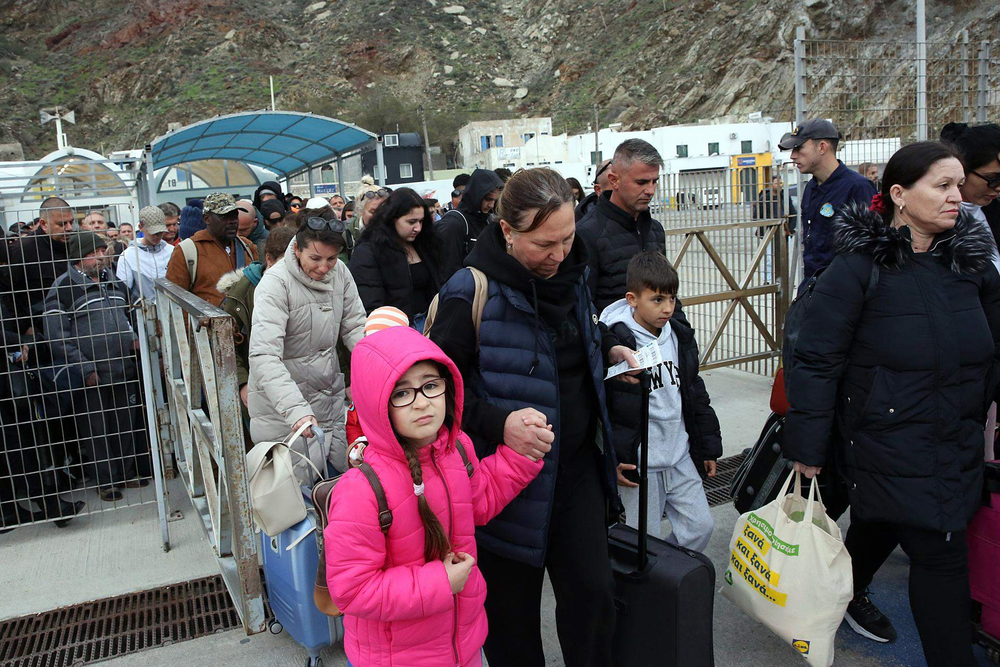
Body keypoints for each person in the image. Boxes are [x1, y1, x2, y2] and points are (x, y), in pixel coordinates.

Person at [784, 141, 1000, 665]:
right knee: (940, 552)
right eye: (942, 187)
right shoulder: (858, 267)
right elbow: (815, 360)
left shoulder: (973, 265)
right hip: (886, 439)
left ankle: (828, 604)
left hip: (956, 436)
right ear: (900, 195)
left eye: (958, 186)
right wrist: (808, 447)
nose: (958, 198)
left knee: (886, 525)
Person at [430, 168, 638, 666]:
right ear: (506, 231)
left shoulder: (574, 272)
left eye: (567, 238)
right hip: (502, 486)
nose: (559, 254)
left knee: (593, 599)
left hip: (577, 471)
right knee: (512, 624)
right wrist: (499, 423)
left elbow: (577, 333)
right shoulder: (468, 291)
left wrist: (609, 348)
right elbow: (435, 397)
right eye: (545, 244)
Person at [325, 326, 543, 667]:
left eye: (430, 385)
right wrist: (440, 583)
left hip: (465, 643)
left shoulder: (456, 448)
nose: (422, 402)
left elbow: (479, 503)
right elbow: (351, 590)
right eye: (401, 393)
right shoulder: (361, 489)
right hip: (397, 658)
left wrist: (521, 456)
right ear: (375, 401)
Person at [600, 251, 721, 551]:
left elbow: (694, 391)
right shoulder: (617, 341)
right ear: (632, 299)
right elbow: (606, 408)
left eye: (672, 299)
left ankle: (667, 571)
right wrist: (613, 458)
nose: (667, 308)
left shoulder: (678, 335)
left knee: (700, 526)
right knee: (643, 541)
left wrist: (707, 446)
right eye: (657, 300)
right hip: (641, 463)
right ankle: (649, 586)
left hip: (679, 454)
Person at [247, 215, 366, 478]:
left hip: (328, 398)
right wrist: (296, 410)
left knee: (340, 486)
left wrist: (380, 371)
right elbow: (264, 354)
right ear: (297, 249)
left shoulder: (340, 273)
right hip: (284, 409)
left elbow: (356, 326)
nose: (325, 267)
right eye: (315, 258)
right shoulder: (274, 284)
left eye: (331, 259)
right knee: (294, 495)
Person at [43, 231, 150, 502]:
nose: (102, 256)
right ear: (79, 257)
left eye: (104, 251)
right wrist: (85, 368)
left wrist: (134, 341)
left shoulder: (113, 282)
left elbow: (127, 317)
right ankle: (106, 481)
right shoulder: (63, 287)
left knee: (124, 424)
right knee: (96, 429)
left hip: (122, 368)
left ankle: (126, 472)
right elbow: (57, 336)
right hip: (92, 373)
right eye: (95, 252)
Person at [219, 226, 296, 447]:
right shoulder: (241, 295)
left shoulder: (308, 284)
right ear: (270, 260)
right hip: (258, 385)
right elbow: (228, 348)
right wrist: (242, 383)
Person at [577, 140, 668, 314]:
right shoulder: (587, 234)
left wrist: (683, 337)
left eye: (654, 181)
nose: (650, 190)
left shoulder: (655, 231)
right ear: (614, 181)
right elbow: (584, 309)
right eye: (641, 182)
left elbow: (667, 294)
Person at [779, 119, 877, 280]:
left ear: (822, 147)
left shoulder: (857, 187)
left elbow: (869, 249)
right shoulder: (811, 187)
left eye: (799, 147)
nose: (793, 155)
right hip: (814, 284)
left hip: (844, 289)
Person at [349, 188, 448, 329]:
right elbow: (370, 302)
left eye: (421, 221)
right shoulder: (368, 251)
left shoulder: (424, 244)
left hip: (431, 323)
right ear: (392, 219)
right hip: (396, 329)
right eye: (411, 222)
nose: (418, 228)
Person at [165, 193, 259, 307]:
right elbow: (175, 302)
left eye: (234, 215)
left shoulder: (247, 246)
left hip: (246, 323)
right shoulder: (187, 251)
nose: (232, 221)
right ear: (206, 219)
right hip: (206, 323)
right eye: (225, 216)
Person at [0, 196, 75, 335]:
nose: (69, 228)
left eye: (71, 222)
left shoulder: (76, 244)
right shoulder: (22, 251)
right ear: (44, 224)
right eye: (62, 224)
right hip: (40, 326)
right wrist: (25, 326)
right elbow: (8, 292)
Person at [940, 122, 1000, 249]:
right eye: (992, 178)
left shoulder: (994, 210)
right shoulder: (934, 221)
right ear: (962, 170)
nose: (998, 187)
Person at [436, 168, 504, 273]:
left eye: (494, 200)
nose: (491, 205)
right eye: (488, 199)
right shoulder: (453, 224)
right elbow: (447, 270)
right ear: (476, 194)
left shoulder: (488, 220)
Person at [115, 206, 172, 303]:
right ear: (141, 227)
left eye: (160, 232)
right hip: (144, 313)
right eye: (152, 232)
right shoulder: (129, 255)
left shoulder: (172, 251)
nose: (157, 236)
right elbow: (124, 289)